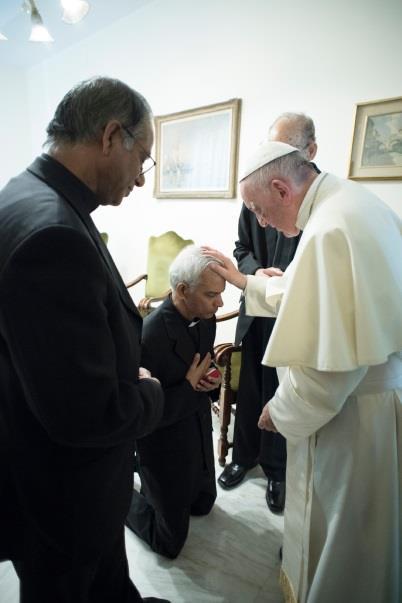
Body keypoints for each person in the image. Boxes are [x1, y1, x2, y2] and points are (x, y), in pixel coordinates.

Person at [203, 140, 402, 603]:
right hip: (376, 404)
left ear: (280, 188)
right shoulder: (350, 205)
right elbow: (309, 293)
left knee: (348, 541)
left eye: (258, 209)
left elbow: (330, 369)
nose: (261, 222)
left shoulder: (329, 229)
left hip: (356, 415)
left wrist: (283, 410)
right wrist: (246, 281)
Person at [0, 77, 170, 603]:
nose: (141, 179)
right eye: (142, 158)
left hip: (43, 473)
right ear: (111, 135)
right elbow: (84, 412)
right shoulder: (53, 232)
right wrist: (148, 390)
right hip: (62, 496)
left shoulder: (24, 194)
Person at [218, 113, 318, 515]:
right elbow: (241, 246)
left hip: (293, 318)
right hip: (255, 311)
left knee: (282, 390)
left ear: (310, 151)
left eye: (286, 150)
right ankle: (242, 456)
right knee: (251, 387)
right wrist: (253, 272)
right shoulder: (259, 189)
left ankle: (277, 471)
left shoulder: (318, 204)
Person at [126, 245, 223, 559]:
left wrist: (212, 382)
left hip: (196, 429)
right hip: (162, 440)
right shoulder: (148, 336)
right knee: (169, 544)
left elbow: (204, 369)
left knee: (204, 505)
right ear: (182, 290)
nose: (220, 303)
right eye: (212, 295)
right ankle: (122, 492)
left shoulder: (207, 319)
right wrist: (187, 386)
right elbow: (142, 414)